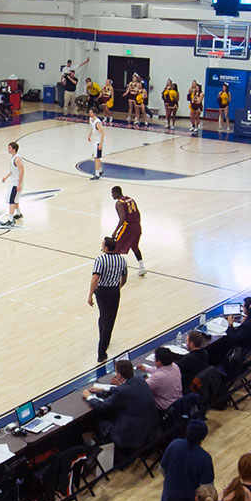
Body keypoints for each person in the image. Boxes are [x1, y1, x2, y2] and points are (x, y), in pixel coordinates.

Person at [86, 359, 157, 469]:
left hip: (131, 434)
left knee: (99, 424)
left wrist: (89, 397)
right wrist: (103, 390)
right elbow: (124, 390)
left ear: (119, 374)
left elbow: (102, 406)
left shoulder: (122, 391)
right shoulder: (140, 381)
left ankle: (105, 459)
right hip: (150, 427)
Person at [89, 235, 128, 364]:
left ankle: (103, 339)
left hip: (101, 291)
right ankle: (102, 352)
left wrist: (90, 294)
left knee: (103, 315)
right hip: (113, 291)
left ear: (106, 247)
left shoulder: (100, 260)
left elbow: (95, 278)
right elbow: (124, 277)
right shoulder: (122, 261)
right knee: (109, 321)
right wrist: (118, 288)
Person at [109, 186, 146, 277]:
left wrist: (115, 231)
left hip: (128, 227)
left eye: (112, 193)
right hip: (137, 226)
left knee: (116, 247)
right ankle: (142, 268)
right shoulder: (130, 199)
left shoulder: (119, 203)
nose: (111, 195)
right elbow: (138, 213)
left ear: (116, 193)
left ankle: (115, 271)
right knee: (135, 247)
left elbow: (122, 218)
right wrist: (137, 223)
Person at [1, 142, 25, 223]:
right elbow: (13, 171)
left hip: (16, 182)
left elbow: (22, 170)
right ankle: (18, 213)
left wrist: (19, 184)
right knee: (16, 199)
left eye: (9, 147)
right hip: (15, 181)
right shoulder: (13, 157)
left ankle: (11, 220)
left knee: (11, 200)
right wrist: (6, 177)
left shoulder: (17, 158)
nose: (8, 149)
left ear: (14, 149)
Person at [87, 110, 105, 180]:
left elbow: (103, 133)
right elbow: (92, 128)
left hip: (98, 141)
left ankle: (97, 174)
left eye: (91, 112)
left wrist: (101, 143)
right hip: (95, 141)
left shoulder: (97, 123)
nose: (89, 113)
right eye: (89, 112)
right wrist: (89, 135)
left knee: (96, 158)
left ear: (94, 113)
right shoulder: (91, 120)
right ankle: (100, 171)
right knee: (96, 157)